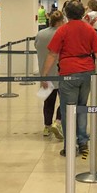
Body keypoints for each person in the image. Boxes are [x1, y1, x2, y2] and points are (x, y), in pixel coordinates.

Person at [40, 0, 97, 157]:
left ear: (66, 14)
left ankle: (69, 145)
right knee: (82, 107)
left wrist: (44, 75)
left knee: (67, 110)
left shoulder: (63, 30)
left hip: (68, 72)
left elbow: (52, 54)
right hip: (86, 72)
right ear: (82, 13)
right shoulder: (89, 30)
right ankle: (83, 142)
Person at [35, 10, 66, 140]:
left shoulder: (41, 34)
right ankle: (58, 122)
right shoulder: (62, 34)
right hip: (61, 72)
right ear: (60, 22)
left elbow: (36, 46)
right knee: (65, 100)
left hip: (45, 73)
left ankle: (47, 126)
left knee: (48, 102)